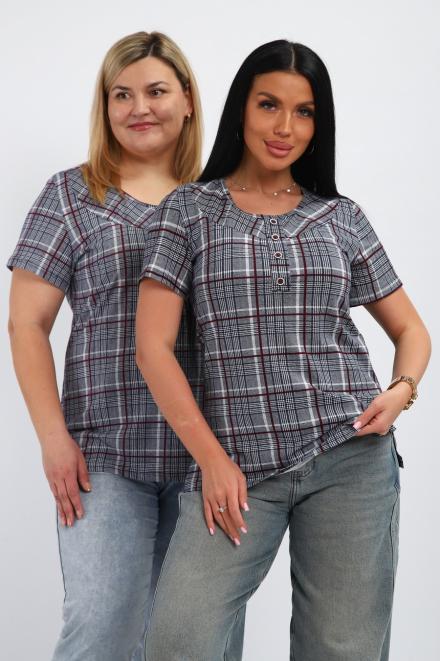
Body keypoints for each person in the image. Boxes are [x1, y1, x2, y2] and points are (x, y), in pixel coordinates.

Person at [136, 40, 431, 660]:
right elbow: (152, 348)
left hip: (351, 455)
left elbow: (411, 331)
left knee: (343, 649)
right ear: (241, 108)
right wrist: (212, 460)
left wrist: (401, 392)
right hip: (236, 467)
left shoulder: (339, 217)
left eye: (304, 112)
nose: (285, 128)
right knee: (178, 642)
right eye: (269, 105)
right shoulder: (189, 211)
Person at [7, 31, 204, 661]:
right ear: (105, 105)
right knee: (100, 629)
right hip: (104, 454)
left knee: (191, 642)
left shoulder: (220, 199)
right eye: (121, 95)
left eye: (155, 91)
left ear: (188, 100)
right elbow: (26, 324)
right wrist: (52, 438)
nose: (138, 108)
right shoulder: (71, 196)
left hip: (207, 457)